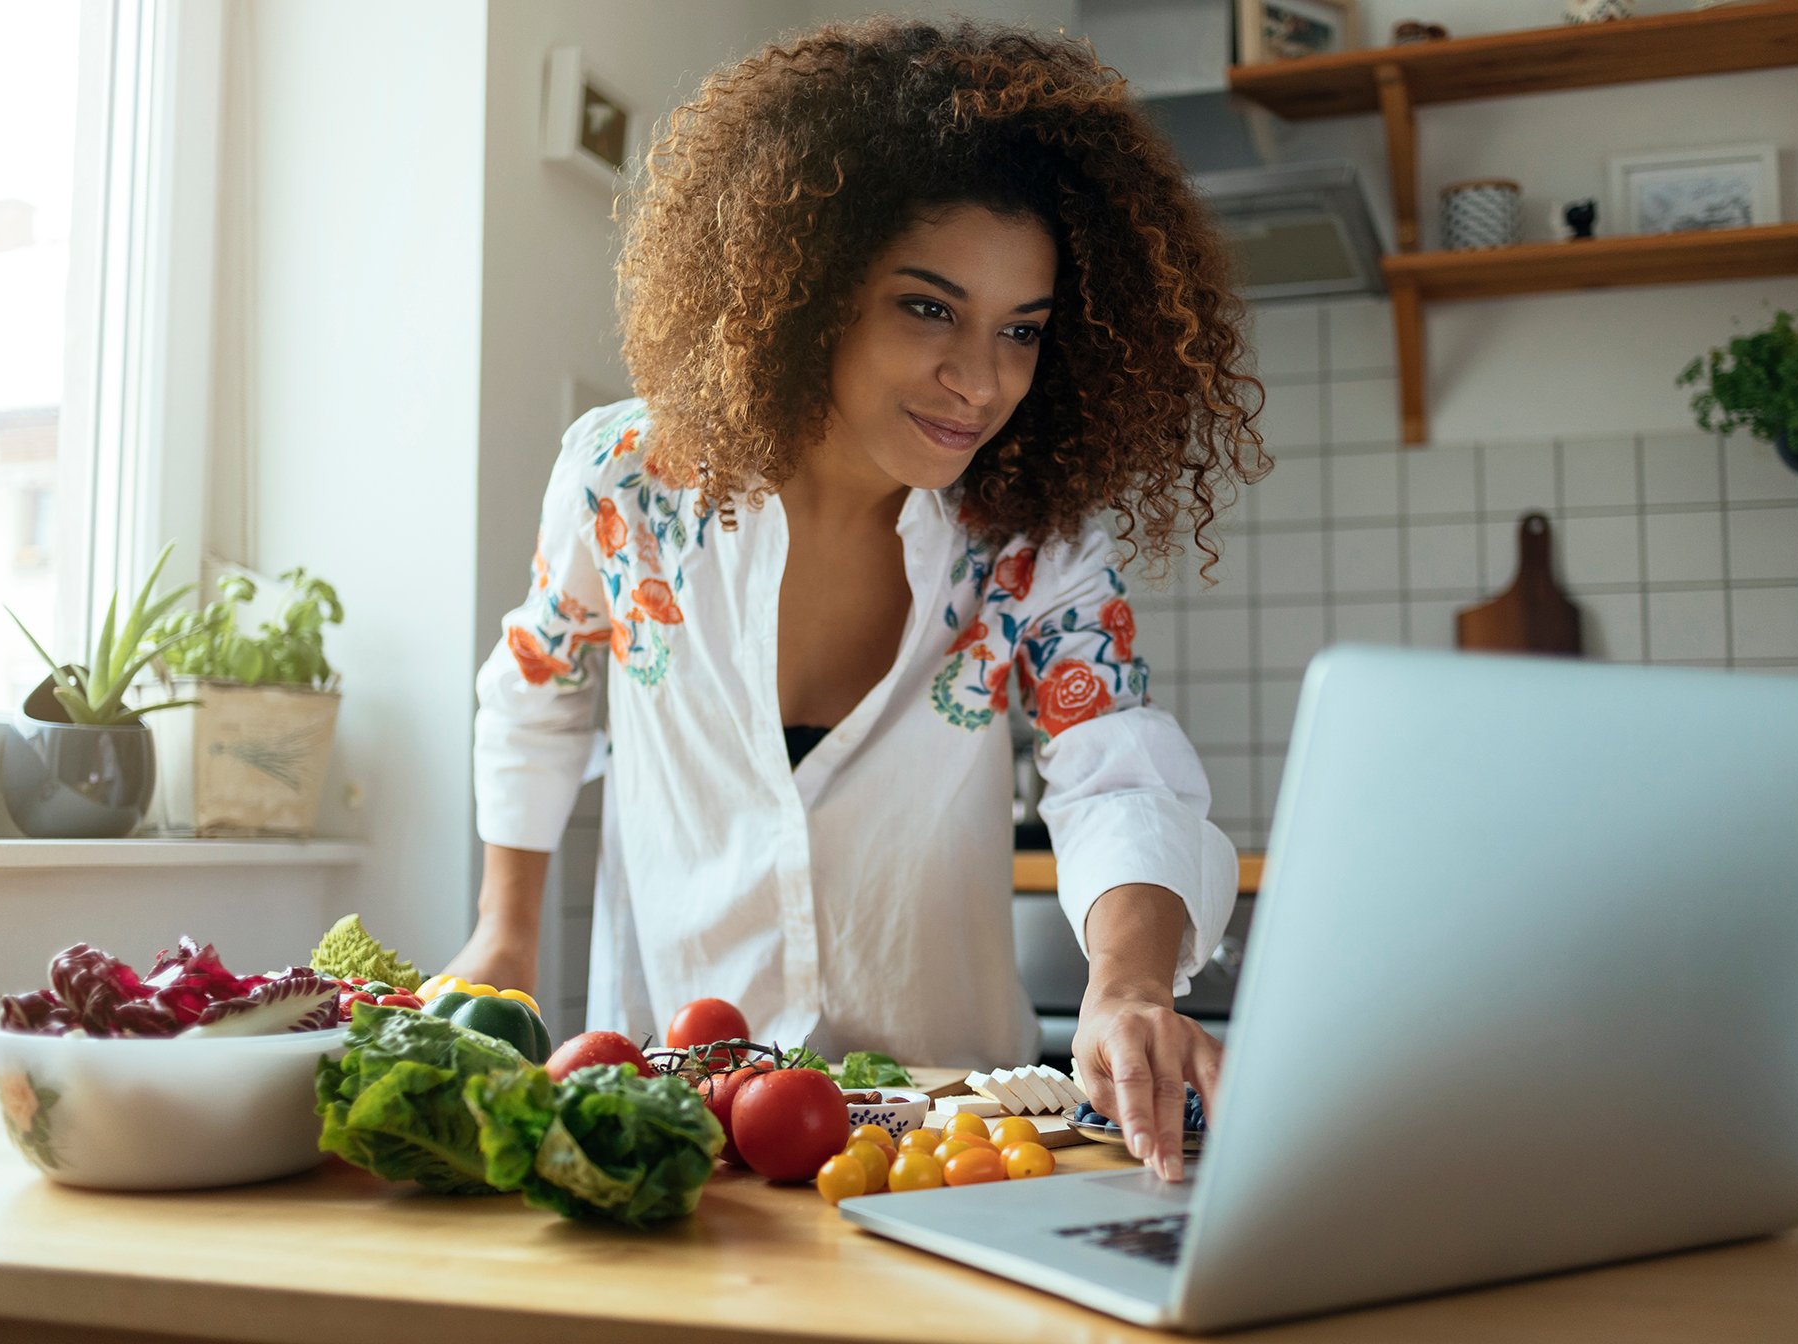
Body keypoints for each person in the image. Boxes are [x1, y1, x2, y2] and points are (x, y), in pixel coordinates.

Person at [446, 14, 1268, 1184]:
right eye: (928, 308)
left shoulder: (1028, 538)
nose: (981, 380)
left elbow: (1116, 758)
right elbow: (535, 682)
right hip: (674, 1123)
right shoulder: (628, 481)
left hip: (950, 1138)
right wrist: (504, 929)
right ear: (810, 285)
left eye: (1021, 330)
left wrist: (1128, 984)